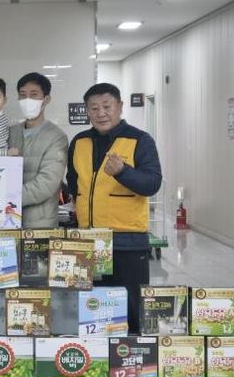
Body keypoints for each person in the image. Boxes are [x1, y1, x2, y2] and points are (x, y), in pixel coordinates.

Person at [66, 82, 162, 334]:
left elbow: (152, 183)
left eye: (107, 106)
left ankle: (132, 352)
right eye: (94, 108)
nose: (101, 113)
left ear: (120, 106)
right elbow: (74, 182)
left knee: (131, 308)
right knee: (94, 308)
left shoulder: (140, 140)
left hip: (126, 241)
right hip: (88, 240)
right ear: (87, 111)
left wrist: (123, 171)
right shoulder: (79, 141)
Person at [8, 72, 68, 228]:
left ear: (46, 99)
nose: (27, 100)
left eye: (34, 95)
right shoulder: (10, 132)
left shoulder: (56, 137)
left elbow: (46, 184)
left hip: (40, 224)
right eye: (23, 95)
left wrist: (6, 197)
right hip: (7, 221)